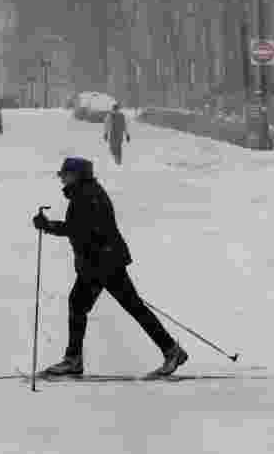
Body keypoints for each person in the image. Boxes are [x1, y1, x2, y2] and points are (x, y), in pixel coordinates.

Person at [32, 157, 187, 378]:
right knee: (119, 306)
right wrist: (51, 226)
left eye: (65, 174)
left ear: (77, 175)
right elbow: (81, 229)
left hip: (102, 263)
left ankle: (73, 360)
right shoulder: (84, 193)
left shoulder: (88, 195)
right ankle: (171, 350)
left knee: (92, 305)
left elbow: (80, 230)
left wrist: (49, 226)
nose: (62, 178)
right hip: (101, 262)